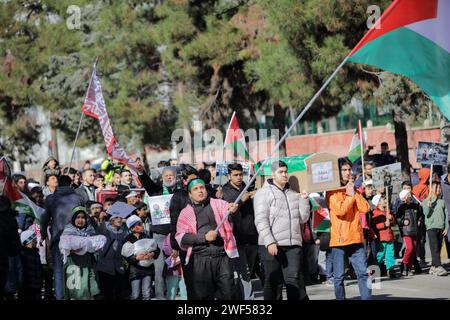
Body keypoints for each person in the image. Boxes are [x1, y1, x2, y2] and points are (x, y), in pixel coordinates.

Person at [254, 160, 310, 300]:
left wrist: (304, 200)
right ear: (273, 174)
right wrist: (269, 241)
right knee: (273, 282)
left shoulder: (292, 194)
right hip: (273, 244)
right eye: (281, 172)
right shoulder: (263, 193)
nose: (284, 174)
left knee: (294, 281)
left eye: (286, 171)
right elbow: (261, 220)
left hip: (293, 245)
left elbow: (303, 219)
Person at [175, 178, 239, 300]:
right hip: (200, 260)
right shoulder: (185, 213)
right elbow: (181, 238)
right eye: (195, 189)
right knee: (203, 296)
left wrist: (233, 211)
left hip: (222, 258)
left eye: (202, 187)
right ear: (190, 194)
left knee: (229, 294)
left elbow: (232, 218)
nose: (200, 191)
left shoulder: (219, 204)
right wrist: (203, 238)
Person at [325, 157, 371, 300]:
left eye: (349, 169)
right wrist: (351, 196)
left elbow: (366, 207)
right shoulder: (332, 191)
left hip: (356, 238)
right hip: (339, 240)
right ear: (337, 172)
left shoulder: (352, 188)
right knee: (339, 277)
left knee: (363, 273)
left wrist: (355, 193)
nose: (347, 172)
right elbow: (340, 210)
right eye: (343, 170)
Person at [40, 175, 84, 300]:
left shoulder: (50, 198)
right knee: (76, 270)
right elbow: (83, 217)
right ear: (70, 184)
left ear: (58, 183)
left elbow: (44, 218)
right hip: (76, 239)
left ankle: (60, 297)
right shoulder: (78, 198)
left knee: (58, 272)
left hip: (58, 238)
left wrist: (43, 235)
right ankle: (76, 297)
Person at [222, 163, 258, 300]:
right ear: (228, 176)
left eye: (240, 174)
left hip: (252, 236)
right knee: (245, 272)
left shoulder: (247, 187)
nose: (238, 177)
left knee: (248, 270)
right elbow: (227, 213)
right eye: (235, 175)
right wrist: (241, 201)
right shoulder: (224, 191)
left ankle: (239, 296)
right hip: (236, 237)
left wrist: (255, 196)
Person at [60, 206, 103, 300]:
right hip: (74, 265)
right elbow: (63, 247)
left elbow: (97, 245)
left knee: (91, 289)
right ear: (73, 219)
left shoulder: (90, 230)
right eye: (78, 217)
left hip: (88, 264)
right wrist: (71, 249)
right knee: (77, 291)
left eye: (83, 217)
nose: (80, 220)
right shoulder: (68, 231)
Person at [121, 215, 159, 300]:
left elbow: (157, 249)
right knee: (135, 294)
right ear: (132, 228)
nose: (141, 226)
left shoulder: (147, 236)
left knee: (146, 293)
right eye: (138, 224)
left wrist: (152, 254)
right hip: (135, 270)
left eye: (141, 223)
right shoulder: (128, 239)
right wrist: (136, 258)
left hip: (148, 269)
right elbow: (125, 255)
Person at [96, 214, 130, 300]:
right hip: (105, 265)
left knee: (119, 291)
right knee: (107, 292)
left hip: (118, 265)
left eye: (120, 218)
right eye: (116, 217)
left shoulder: (124, 232)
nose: (119, 219)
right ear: (111, 220)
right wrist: (101, 219)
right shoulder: (104, 228)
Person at [423, 182, 449, 276]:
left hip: (441, 228)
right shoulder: (426, 201)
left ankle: (433, 267)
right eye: (436, 188)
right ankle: (438, 266)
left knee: (438, 247)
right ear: (431, 189)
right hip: (431, 227)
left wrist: (446, 227)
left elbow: (446, 215)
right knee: (435, 248)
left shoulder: (442, 202)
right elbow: (426, 213)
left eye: (439, 188)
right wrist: (429, 205)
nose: (438, 189)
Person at [396, 190, 424, 276]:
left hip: (415, 231)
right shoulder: (401, 207)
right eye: (408, 194)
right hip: (406, 231)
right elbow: (398, 219)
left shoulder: (415, 206)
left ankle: (410, 267)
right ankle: (404, 265)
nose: (410, 195)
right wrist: (402, 221)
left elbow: (420, 215)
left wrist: (419, 220)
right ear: (404, 198)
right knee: (409, 248)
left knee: (413, 250)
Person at [370, 194, 397, 278]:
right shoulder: (375, 213)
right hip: (381, 238)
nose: (385, 200)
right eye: (382, 199)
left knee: (390, 254)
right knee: (380, 254)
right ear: (378, 203)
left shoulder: (387, 211)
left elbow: (394, 223)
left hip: (389, 237)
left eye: (385, 199)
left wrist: (391, 218)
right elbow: (374, 226)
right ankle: (374, 270)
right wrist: (384, 224)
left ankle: (391, 269)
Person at [18, 230, 43, 300]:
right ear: (29, 241)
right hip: (26, 286)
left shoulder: (36, 253)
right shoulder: (22, 254)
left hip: (37, 285)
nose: (36, 241)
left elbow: (39, 268)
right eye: (34, 239)